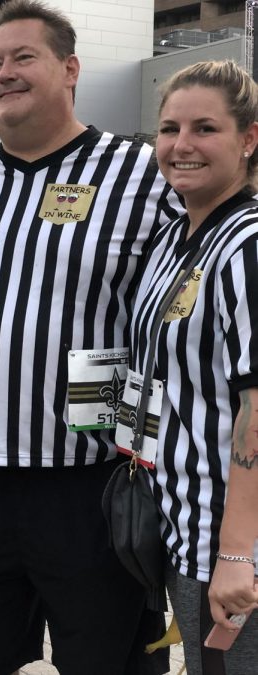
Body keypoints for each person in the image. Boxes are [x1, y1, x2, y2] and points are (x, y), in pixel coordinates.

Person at [0, 1, 181, 673]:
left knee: (111, 662)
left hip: (91, 484)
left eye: (22, 57)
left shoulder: (142, 175)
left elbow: (184, 316)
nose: (3, 73)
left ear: (70, 69)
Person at [127, 59, 258, 674]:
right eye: (169, 129)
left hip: (229, 548)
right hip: (183, 527)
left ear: (248, 139)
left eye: (205, 128)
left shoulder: (246, 246)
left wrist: (236, 554)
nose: (181, 146)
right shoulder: (178, 239)